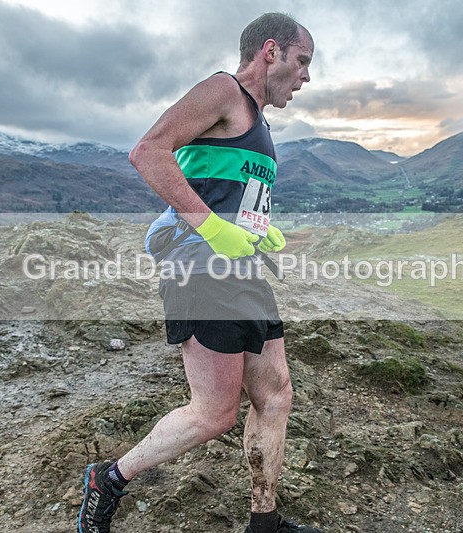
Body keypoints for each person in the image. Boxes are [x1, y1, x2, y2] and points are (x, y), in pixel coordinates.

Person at [78, 12, 322, 533]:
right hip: (200, 268)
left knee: (276, 393)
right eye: (303, 62)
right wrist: (212, 228)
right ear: (271, 51)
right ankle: (109, 478)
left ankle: (265, 522)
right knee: (215, 414)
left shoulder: (258, 120)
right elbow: (148, 152)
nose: (306, 77)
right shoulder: (223, 91)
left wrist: (261, 231)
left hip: (242, 268)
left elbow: (229, 190)